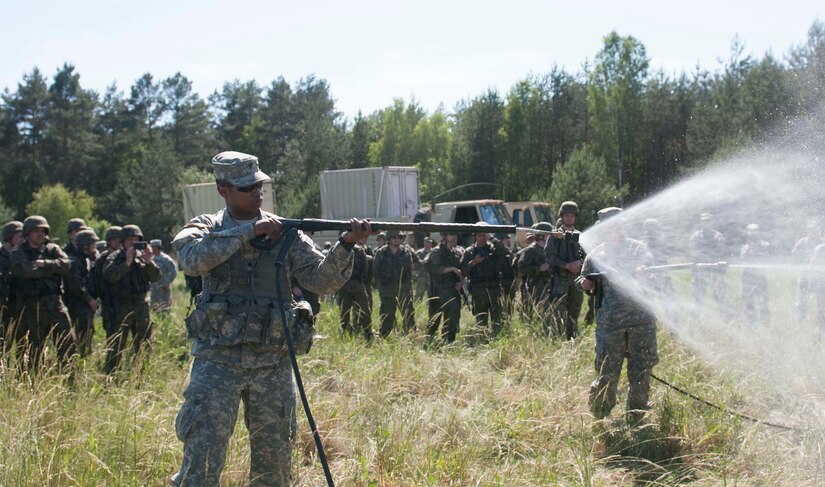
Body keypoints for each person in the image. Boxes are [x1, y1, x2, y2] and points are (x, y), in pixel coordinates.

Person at [170, 151, 371, 486]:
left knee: (274, 464)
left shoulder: (286, 234)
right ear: (223, 190)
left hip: (272, 363)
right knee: (201, 463)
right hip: (217, 361)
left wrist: (346, 245)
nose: (257, 193)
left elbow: (321, 280)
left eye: (259, 185)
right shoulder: (206, 227)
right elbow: (191, 259)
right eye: (247, 187)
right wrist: (249, 232)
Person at [576, 207, 658, 432]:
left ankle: (637, 420)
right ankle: (601, 419)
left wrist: (644, 272)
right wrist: (586, 284)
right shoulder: (596, 255)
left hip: (641, 322)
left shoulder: (638, 249)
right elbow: (585, 281)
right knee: (606, 373)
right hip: (610, 325)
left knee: (640, 373)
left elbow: (650, 271)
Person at [9, 216, 77, 371]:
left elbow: (66, 265)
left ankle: (69, 378)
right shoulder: (18, 251)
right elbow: (27, 271)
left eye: (42, 231)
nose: (40, 234)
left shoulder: (52, 249)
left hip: (55, 304)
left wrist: (45, 264)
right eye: (36, 231)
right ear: (27, 233)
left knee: (67, 342)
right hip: (31, 307)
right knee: (31, 349)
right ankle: (30, 383)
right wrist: (53, 270)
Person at [102, 224, 160, 374]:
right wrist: (127, 262)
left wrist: (149, 262)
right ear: (122, 242)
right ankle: (112, 374)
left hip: (141, 307)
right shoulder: (114, 257)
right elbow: (110, 276)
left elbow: (155, 277)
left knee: (143, 342)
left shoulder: (143, 259)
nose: (133, 243)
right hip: (121, 307)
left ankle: (142, 374)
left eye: (136, 240)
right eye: (129, 240)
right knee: (116, 343)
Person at [545, 201, 585, 339]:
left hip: (576, 279)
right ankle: (558, 340)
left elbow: (586, 256)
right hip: (559, 279)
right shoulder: (555, 235)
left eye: (572, 216)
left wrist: (579, 263)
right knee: (559, 313)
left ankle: (572, 339)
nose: (569, 218)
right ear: (562, 216)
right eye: (567, 215)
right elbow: (549, 257)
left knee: (575, 311)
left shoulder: (580, 235)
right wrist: (566, 265)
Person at [459, 224, 506, 341]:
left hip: (494, 289)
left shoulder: (494, 249)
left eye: (484, 235)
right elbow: (463, 271)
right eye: (479, 235)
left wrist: (492, 238)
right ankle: (482, 341)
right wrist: (473, 262)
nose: (482, 238)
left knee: (497, 318)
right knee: (481, 319)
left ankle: (497, 339)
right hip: (478, 290)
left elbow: (504, 252)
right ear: (475, 236)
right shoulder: (469, 252)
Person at [373, 229, 418, 337]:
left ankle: (411, 335)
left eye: (400, 237)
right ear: (388, 239)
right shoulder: (381, 253)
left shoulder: (406, 252)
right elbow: (375, 271)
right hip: (387, 289)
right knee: (386, 315)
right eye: (394, 237)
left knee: (408, 314)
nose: (397, 239)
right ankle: (384, 336)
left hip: (403, 289)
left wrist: (409, 286)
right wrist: (380, 286)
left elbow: (411, 269)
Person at [63, 228, 99, 356]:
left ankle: (83, 355)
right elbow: (75, 286)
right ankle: (79, 357)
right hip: (76, 303)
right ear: (85, 245)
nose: (94, 247)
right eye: (92, 244)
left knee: (87, 330)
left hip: (84, 303)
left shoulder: (86, 260)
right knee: (83, 331)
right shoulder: (73, 261)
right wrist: (89, 300)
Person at [426, 231, 464, 344]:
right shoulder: (437, 252)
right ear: (445, 237)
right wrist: (452, 269)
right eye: (452, 234)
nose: (455, 237)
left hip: (452, 290)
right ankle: (430, 341)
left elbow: (460, 270)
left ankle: (449, 341)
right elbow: (436, 269)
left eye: (455, 234)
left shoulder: (456, 252)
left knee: (452, 315)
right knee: (435, 318)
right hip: (438, 290)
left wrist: (460, 281)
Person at [517, 222, 554, 331]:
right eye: (548, 235)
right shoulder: (530, 250)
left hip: (549, 286)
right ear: (541, 235)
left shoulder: (550, 250)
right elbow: (521, 268)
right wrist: (538, 268)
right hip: (536, 287)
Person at [689, 213, 727, 315]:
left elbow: (721, 251)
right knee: (698, 296)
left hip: (715, 271)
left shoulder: (718, 236)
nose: (706, 223)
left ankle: (724, 317)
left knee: (719, 296)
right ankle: (696, 318)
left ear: (712, 222)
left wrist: (714, 260)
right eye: (704, 221)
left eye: (708, 221)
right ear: (701, 223)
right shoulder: (695, 236)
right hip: (701, 271)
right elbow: (693, 252)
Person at [91, 226, 122, 347]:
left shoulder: (123, 256)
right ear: (108, 241)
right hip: (109, 301)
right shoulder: (101, 259)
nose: (117, 242)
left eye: (119, 239)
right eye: (114, 239)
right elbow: (98, 281)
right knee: (111, 333)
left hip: (123, 300)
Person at [338, 236, 373, 340]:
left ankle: (367, 332)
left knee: (365, 309)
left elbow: (365, 268)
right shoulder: (341, 250)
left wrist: (360, 279)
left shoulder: (359, 250)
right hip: (344, 285)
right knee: (345, 311)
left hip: (357, 284)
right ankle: (346, 332)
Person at [740, 224, 771, 326]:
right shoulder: (745, 247)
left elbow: (767, 259)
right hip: (748, 278)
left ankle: (765, 323)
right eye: (750, 231)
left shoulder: (765, 245)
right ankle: (751, 324)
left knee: (763, 302)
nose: (753, 233)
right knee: (749, 302)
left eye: (755, 231)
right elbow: (743, 260)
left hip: (761, 278)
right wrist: (750, 248)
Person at [1, 220, 24, 353]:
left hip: (19, 305)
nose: (23, 240)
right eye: (19, 236)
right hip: (4, 307)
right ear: (9, 238)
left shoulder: (22, 256)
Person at [793, 221, 822, 321]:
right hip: (804, 275)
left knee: (820, 300)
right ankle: (800, 319)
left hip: (819, 276)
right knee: (801, 299)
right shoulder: (802, 241)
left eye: (815, 229)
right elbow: (794, 255)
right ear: (808, 230)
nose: (813, 231)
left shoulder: (822, 242)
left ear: (819, 230)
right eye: (811, 229)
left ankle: (820, 319)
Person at [149, 239, 177, 312]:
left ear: (157, 247)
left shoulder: (165, 258)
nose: (151, 249)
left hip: (163, 288)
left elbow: (173, 272)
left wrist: (166, 283)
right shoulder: (150, 258)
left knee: (165, 308)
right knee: (153, 308)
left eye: (152, 247)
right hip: (154, 288)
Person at [414, 237, 434, 302]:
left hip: (431, 277)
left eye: (430, 243)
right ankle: (417, 307)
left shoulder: (434, 252)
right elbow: (415, 263)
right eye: (428, 242)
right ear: (424, 243)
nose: (429, 244)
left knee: (431, 295)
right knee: (419, 294)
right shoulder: (419, 253)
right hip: (421, 276)